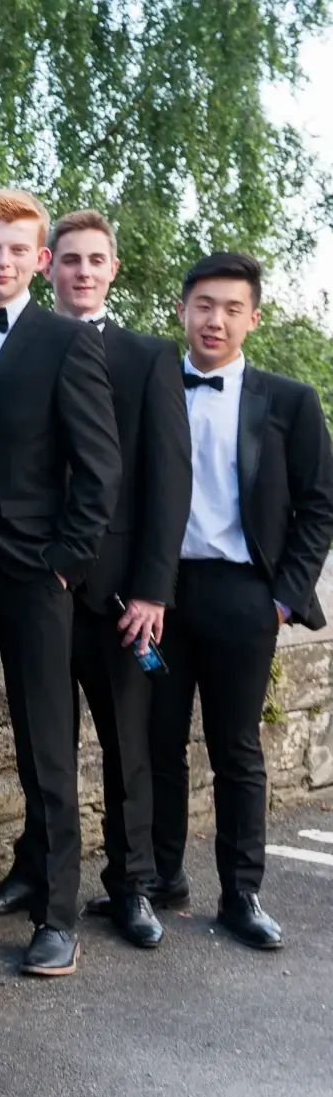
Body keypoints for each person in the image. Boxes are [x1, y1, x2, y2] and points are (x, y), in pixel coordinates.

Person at [0, 210, 189, 950]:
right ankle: (36, 868)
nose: (82, 272)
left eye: (95, 260)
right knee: (46, 740)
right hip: (27, 581)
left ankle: (131, 883)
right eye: (69, 259)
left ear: (113, 268)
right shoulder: (17, 348)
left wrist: (153, 589)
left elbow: (167, 480)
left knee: (124, 743)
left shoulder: (146, 357)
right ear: (48, 266)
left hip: (113, 592)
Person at [0, 188, 120, 976]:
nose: (3, 261)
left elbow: (99, 469)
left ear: (38, 261)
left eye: (18, 250)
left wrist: (65, 566)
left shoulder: (63, 343)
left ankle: (58, 914)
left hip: (36, 577)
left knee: (49, 745)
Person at [147, 252, 333, 951]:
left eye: (231, 308)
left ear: (253, 318)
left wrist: (282, 599)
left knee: (237, 749)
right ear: (181, 310)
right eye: (203, 305)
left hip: (243, 594)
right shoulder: (154, 387)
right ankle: (161, 879)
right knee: (158, 744)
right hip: (160, 595)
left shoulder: (289, 401)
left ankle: (241, 894)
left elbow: (319, 506)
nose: (215, 319)